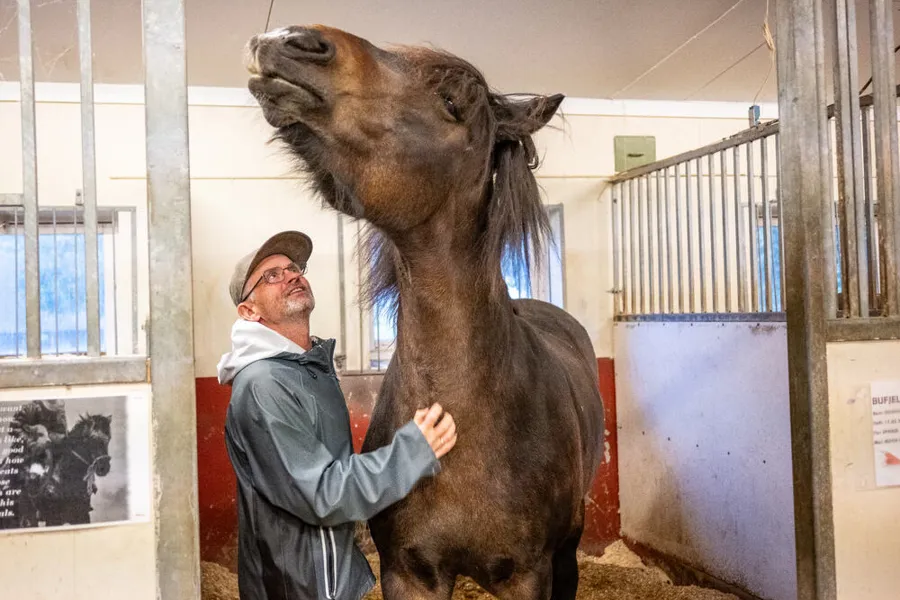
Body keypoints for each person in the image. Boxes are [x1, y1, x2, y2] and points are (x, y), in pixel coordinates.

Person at [217, 230, 458, 600]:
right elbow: (323, 493)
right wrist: (413, 451)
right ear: (250, 311)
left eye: (293, 268)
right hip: (301, 587)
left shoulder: (305, 369)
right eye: (272, 275)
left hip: (324, 576)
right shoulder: (264, 385)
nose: (292, 275)